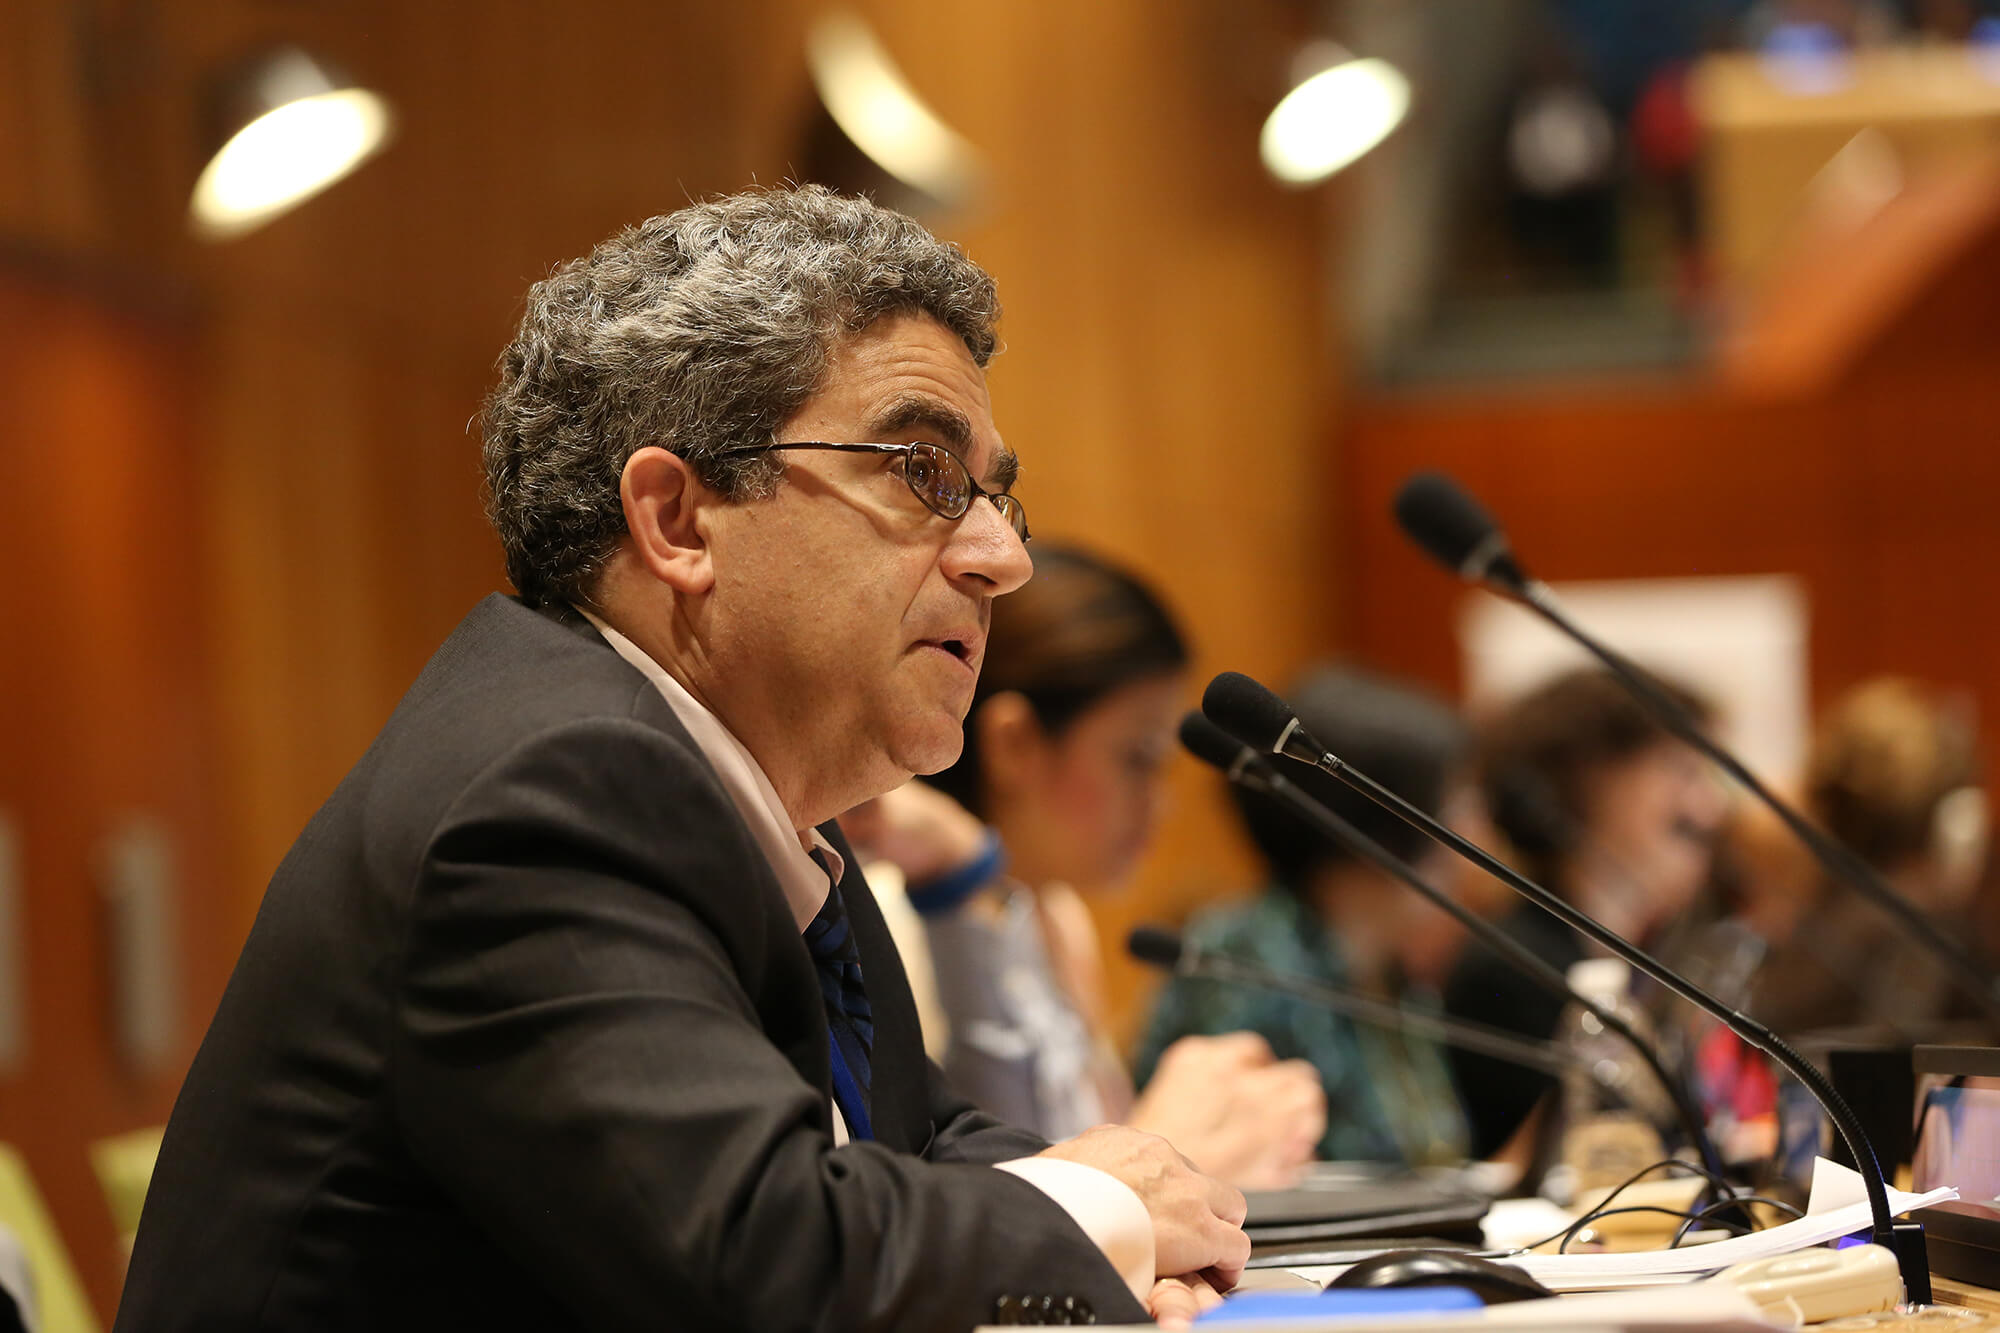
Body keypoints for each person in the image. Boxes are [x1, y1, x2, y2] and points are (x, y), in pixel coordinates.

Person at [114, 188, 1248, 1332]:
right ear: (677, 519)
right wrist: (1099, 1215)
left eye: (997, 495)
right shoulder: (550, 795)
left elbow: (914, 1142)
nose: (1002, 556)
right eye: (922, 471)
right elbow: (762, 1257)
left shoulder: (749, 799)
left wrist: (1140, 1220)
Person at [844, 547, 1324, 1189]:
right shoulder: (896, 918)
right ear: (1015, 744)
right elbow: (980, 1197)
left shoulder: (1058, 915)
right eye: (1137, 757)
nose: (1160, 803)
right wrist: (1176, 1153)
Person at [1134, 667, 1479, 1166]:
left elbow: (1435, 1162)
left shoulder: (1386, 967)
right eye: (1451, 807)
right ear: (1379, 831)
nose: (1471, 832)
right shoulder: (1248, 961)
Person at [1441, 666, 1729, 1162]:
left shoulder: (1651, 957)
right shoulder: (1511, 971)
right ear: (1585, 779)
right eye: (1683, 771)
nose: (1712, 807)